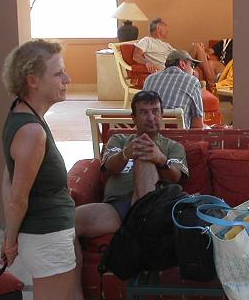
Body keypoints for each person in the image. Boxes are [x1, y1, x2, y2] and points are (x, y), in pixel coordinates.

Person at [0, 39, 110, 300]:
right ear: (32, 80)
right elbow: (17, 196)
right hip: (46, 236)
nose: (67, 78)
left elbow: (7, 179)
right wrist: (10, 240)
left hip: (49, 233)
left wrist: (11, 235)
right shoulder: (31, 131)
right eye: (58, 73)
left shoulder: (24, 115)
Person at [73, 89, 188, 247]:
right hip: (116, 207)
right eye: (144, 112)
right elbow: (110, 168)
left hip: (153, 209)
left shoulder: (173, 146)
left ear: (161, 115)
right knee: (68, 223)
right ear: (134, 118)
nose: (151, 117)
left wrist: (160, 159)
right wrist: (125, 154)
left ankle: (141, 223)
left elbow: (176, 177)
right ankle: (138, 229)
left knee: (145, 157)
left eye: (155, 111)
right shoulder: (119, 140)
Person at [132, 17, 221, 89]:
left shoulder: (166, 44)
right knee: (197, 47)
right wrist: (147, 62)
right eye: (165, 27)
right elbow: (136, 55)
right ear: (158, 28)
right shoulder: (147, 40)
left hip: (180, 62)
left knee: (197, 47)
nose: (167, 30)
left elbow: (178, 54)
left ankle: (210, 84)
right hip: (172, 67)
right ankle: (212, 82)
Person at [142, 49, 206, 128]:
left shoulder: (149, 79)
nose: (193, 71)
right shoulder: (192, 81)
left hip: (149, 132)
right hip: (177, 134)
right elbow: (197, 125)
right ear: (182, 64)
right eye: (192, 66)